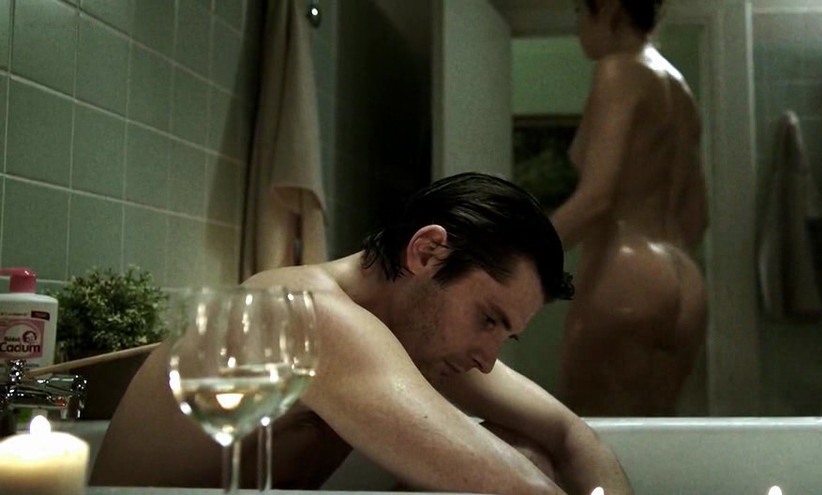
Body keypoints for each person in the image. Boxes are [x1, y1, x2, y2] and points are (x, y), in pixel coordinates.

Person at [91, 173, 632, 494]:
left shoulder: (415, 341)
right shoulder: (308, 312)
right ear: (427, 252)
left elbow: (571, 436)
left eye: (504, 334)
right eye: (487, 319)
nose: (488, 359)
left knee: (530, 449)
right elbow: (520, 492)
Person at [555, 0, 708, 416]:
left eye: (579, 11)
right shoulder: (680, 88)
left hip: (626, 266)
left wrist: (510, 255)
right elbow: (697, 216)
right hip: (685, 276)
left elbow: (596, 199)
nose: (577, 25)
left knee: (591, 436)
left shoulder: (618, 70)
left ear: (609, 10)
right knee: (653, 441)